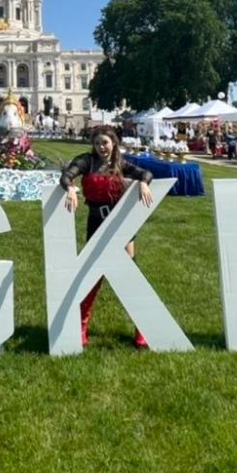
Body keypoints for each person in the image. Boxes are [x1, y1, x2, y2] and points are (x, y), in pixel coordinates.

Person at [60, 125, 155, 348]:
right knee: (92, 277)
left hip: (121, 225)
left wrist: (143, 182)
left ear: (114, 144)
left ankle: (142, 328)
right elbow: (67, 175)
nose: (101, 147)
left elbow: (146, 173)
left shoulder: (119, 164)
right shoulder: (87, 161)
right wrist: (71, 188)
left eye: (105, 143)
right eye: (97, 143)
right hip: (96, 223)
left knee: (130, 276)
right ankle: (81, 326)